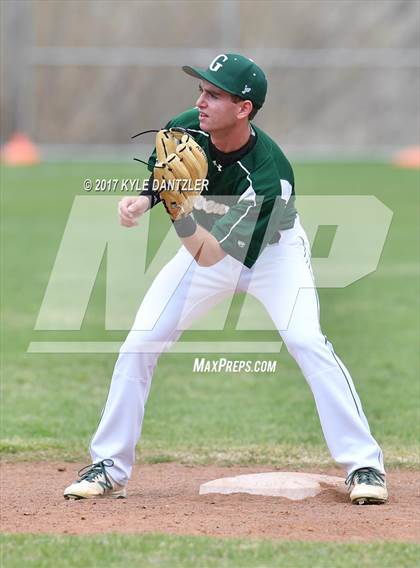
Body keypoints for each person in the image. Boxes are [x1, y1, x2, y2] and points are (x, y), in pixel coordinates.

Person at [64, 53, 387, 505]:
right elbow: (167, 174)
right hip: (207, 237)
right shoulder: (186, 126)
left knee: (306, 341)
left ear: (244, 109)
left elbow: (211, 255)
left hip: (272, 255)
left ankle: (364, 464)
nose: (201, 100)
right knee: (141, 341)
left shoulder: (270, 178)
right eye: (201, 89)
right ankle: (109, 469)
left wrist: (177, 210)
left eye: (214, 94)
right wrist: (144, 200)